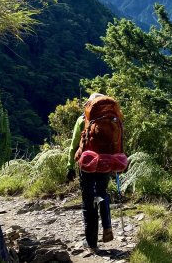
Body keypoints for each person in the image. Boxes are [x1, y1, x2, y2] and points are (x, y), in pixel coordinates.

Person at [67, 92, 123, 249]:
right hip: (106, 162)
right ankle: (107, 226)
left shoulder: (82, 120)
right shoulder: (113, 120)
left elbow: (73, 146)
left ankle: (91, 242)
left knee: (88, 198)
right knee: (102, 192)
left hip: (87, 164)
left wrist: (70, 166)